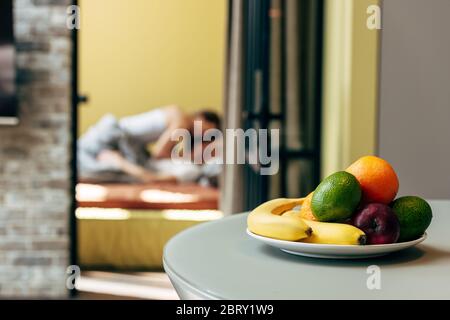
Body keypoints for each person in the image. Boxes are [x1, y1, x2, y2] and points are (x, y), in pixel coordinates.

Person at [78, 105, 221, 184]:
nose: (202, 138)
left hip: (124, 144)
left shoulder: (191, 168)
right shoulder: (181, 120)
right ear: (202, 117)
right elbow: (160, 154)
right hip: (115, 136)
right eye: (207, 134)